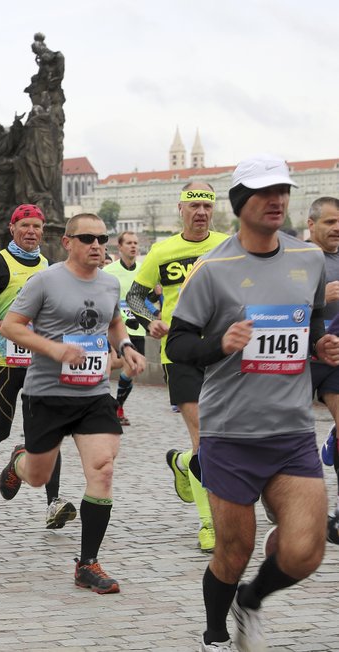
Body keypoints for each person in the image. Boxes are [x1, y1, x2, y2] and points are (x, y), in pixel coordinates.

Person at [166, 155, 339, 651]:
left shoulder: (307, 259)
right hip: (231, 433)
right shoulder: (213, 268)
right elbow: (177, 346)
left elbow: (310, 329)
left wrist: (319, 347)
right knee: (234, 551)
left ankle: (252, 601)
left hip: (290, 432)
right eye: (265, 193)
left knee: (306, 551)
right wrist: (220, 344)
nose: (277, 200)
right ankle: (215, 635)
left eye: (283, 191)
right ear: (241, 202)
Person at [0, 213, 146, 594]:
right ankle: (20, 459)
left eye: (102, 238)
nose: (97, 245)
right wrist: (54, 348)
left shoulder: (111, 282)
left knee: (103, 469)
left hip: (94, 394)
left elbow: (114, 322)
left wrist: (125, 347)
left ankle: (87, 564)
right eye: (87, 239)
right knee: (38, 477)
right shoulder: (45, 281)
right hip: (47, 394)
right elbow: (10, 326)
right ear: (67, 242)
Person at [125, 181, 229, 553]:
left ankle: (184, 462)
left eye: (206, 205)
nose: (200, 212)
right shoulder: (163, 250)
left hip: (223, 352)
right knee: (204, 437)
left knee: (224, 438)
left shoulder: (227, 246)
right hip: (179, 352)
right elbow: (134, 295)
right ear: (180, 210)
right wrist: (150, 319)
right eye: (193, 205)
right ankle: (208, 524)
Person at [0, 204, 73, 527]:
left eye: (37, 227)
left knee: (46, 430)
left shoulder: (47, 265)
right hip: (4, 359)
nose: (31, 231)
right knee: (1, 427)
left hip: (38, 361)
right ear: (12, 229)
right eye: (24, 225)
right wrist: (2, 326)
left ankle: (54, 502)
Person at [306, 196, 339, 546]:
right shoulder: (298, 258)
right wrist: (319, 295)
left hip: (335, 357)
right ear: (311, 224)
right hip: (299, 360)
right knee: (290, 437)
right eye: (329, 222)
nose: (337, 228)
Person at [102, 231, 147, 426]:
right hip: (114, 328)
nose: (133, 246)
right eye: (129, 243)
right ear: (119, 247)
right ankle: (102, 404)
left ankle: (116, 404)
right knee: (110, 364)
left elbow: (151, 297)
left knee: (134, 368)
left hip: (138, 330)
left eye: (136, 243)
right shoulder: (109, 272)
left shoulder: (144, 271)